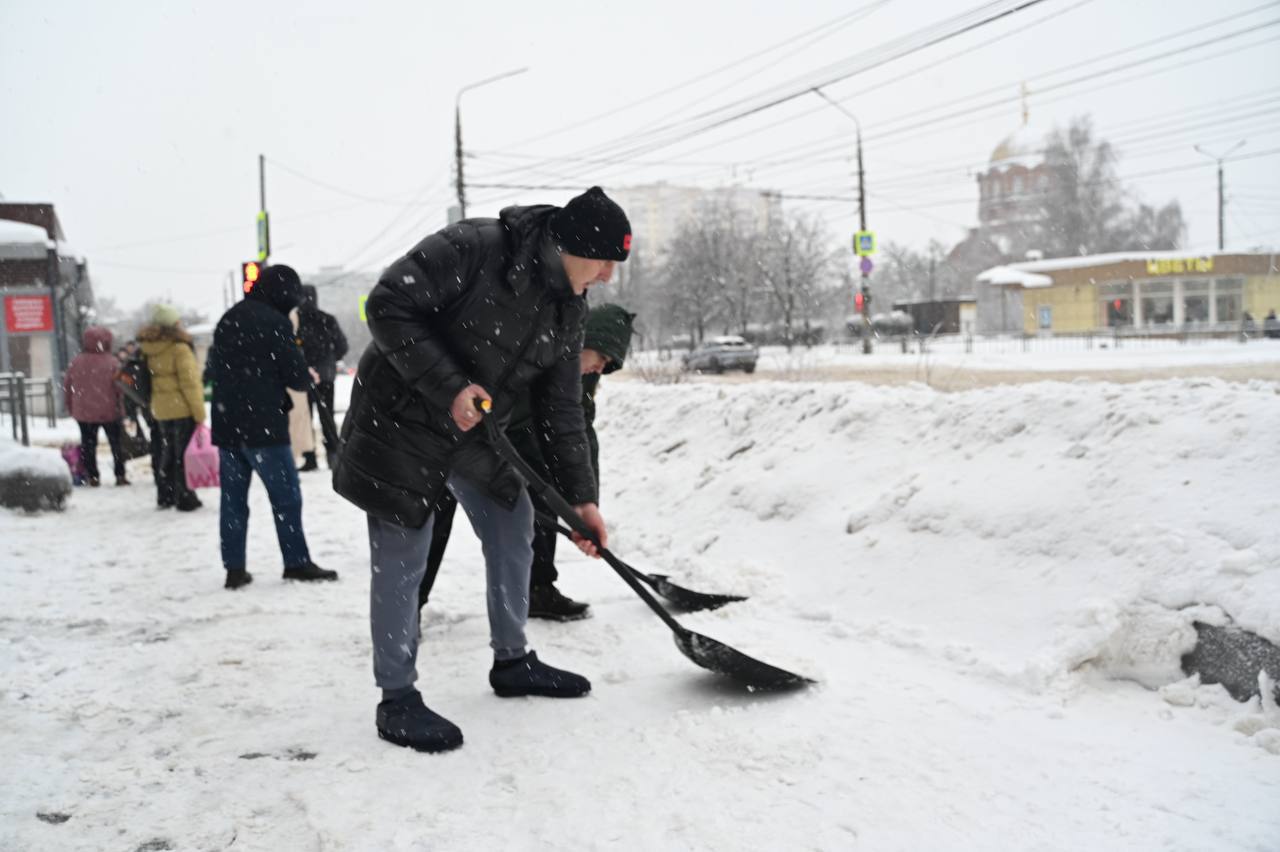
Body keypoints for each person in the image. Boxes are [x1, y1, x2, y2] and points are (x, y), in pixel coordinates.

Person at [334, 186, 630, 753]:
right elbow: (387, 305)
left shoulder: (569, 308)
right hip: (401, 416)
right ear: (573, 246)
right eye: (604, 263)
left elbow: (561, 409)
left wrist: (580, 500)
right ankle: (396, 697)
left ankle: (512, 660)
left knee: (513, 516)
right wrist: (449, 387)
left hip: (473, 427)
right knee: (405, 550)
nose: (607, 278)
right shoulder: (476, 247)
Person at [416, 303, 637, 621]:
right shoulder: (543, 352)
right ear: (585, 340)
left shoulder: (582, 375)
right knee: (434, 515)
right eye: (601, 358)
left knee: (541, 501)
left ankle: (538, 590)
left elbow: (582, 432)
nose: (601, 368)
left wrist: (585, 501)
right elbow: (514, 410)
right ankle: (409, 607)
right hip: (461, 430)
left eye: (609, 365)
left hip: (513, 433)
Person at [206, 264, 338, 591]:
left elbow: (214, 369)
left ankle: (234, 569)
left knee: (233, 501)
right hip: (264, 426)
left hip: (227, 424)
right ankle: (295, 562)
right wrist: (310, 377)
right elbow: (295, 375)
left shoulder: (229, 318)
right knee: (286, 498)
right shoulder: (276, 323)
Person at [137, 305, 204, 511]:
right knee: (183, 454)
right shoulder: (179, 348)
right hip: (182, 408)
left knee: (166, 452)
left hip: (161, 408)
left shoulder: (148, 349)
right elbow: (190, 383)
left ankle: (165, 494)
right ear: (175, 324)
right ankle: (185, 496)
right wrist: (199, 412)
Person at [63, 326, 127, 487]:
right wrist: (122, 407)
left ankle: (93, 476)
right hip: (110, 411)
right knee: (116, 444)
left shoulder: (76, 362)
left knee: (88, 445)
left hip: (84, 413)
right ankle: (120, 475)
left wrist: (71, 407)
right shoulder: (113, 362)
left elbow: (67, 386)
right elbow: (122, 387)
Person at [296, 285, 348, 471]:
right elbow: (342, 346)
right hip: (326, 375)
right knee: (327, 415)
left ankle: (310, 457)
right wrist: (331, 360)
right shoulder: (327, 320)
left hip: (302, 376)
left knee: (305, 418)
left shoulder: (296, 322)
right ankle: (333, 454)